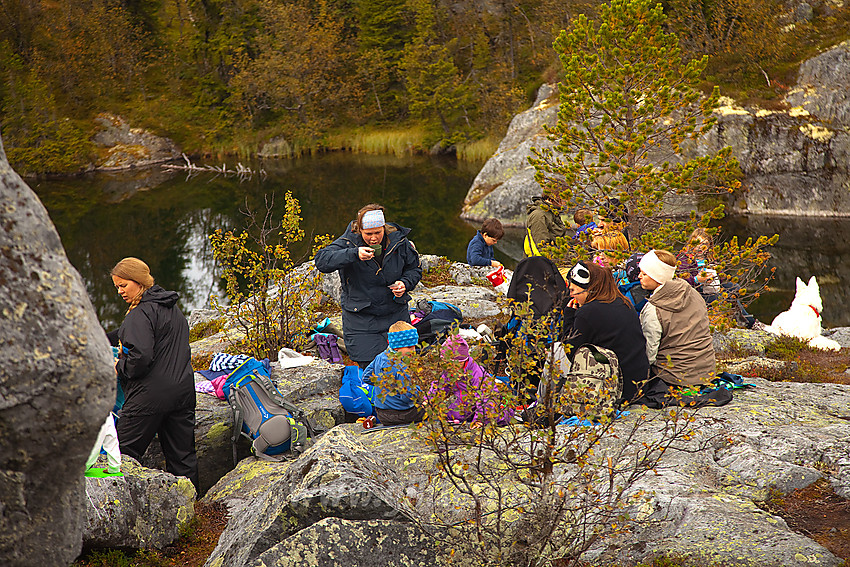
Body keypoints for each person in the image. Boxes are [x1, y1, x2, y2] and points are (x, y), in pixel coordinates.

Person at [111, 257, 198, 490]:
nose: (119, 291)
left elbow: (140, 358)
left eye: (123, 285)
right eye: (117, 286)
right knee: (183, 459)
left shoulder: (139, 314)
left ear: (139, 282)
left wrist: (118, 366)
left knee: (119, 456)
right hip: (182, 393)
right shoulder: (171, 307)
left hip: (148, 399)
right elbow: (137, 334)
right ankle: (193, 511)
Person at [314, 204, 422, 368]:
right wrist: (353, 254)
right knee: (370, 368)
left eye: (378, 233)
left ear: (384, 228)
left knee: (404, 364)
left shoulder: (399, 241)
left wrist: (405, 283)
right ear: (360, 231)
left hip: (395, 313)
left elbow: (414, 268)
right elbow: (322, 261)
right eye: (368, 234)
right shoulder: (348, 242)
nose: (373, 238)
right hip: (361, 318)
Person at [561, 261, 650, 401]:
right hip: (638, 385)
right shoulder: (623, 302)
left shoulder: (587, 312)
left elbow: (571, 352)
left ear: (588, 289)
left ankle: (544, 403)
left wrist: (569, 315)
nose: (571, 296)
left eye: (573, 291)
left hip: (615, 390)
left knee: (556, 351)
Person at [637, 250, 715, 387]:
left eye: (644, 274)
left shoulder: (654, 308)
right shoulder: (693, 293)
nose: (639, 276)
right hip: (706, 373)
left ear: (658, 277)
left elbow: (649, 354)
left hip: (673, 377)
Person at [677, 228, 755, 328]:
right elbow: (680, 280)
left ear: (709, 245)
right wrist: (696, 279)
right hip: (694, 292)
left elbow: (722, 277)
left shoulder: (709, 258)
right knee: (722, 296)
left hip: (710, 287)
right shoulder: (685, 258)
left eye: (704, 244)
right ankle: (748, 321)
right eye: (697, 243)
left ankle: (743, 319)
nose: (700, 247)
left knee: (734, 287)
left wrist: (715, 275)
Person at [363, 321, 426, 426]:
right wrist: (421, 396)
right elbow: (407, 397)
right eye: (409, 347)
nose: (413, 351)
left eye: (414, 346)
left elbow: (366, 376)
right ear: (397, 347)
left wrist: (386, 385)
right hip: (403, 415)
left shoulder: (380, 357)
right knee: (432, 408)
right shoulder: (402, 368)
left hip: (382, 414)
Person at [524, 192, 567, 256]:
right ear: (551, 199)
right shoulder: (538, 216)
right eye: (563, 199)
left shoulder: (552, 213)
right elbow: (541, 248)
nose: (566, 202)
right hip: (539, 264)